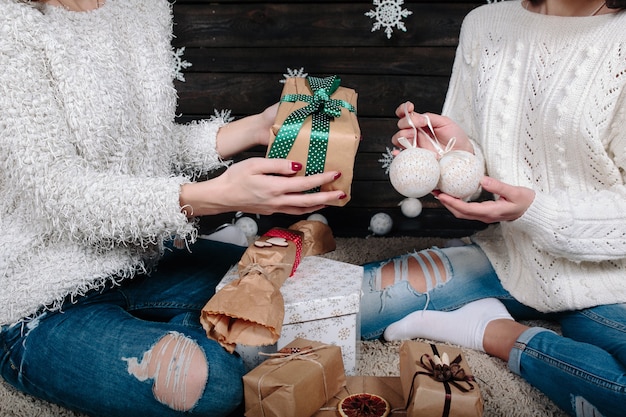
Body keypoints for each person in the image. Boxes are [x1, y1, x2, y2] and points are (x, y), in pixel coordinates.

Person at [0, 1, 346, 416]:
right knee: (214, 381)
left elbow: (141, 148)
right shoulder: (11, 23)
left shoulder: (142, 7)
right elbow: (59, 191)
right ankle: (187, 330)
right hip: (42, 302)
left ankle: (185, 326)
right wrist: (214, 195)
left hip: (143, 261)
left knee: (307, 291)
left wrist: (253, 127)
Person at [360, 1, 626, 416]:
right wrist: (455, 154)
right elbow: (472, 167)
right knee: (335, 309)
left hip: (612, 279)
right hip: (507, 257)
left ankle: (493, 332)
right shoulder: (485, 24)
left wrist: (535, 211)